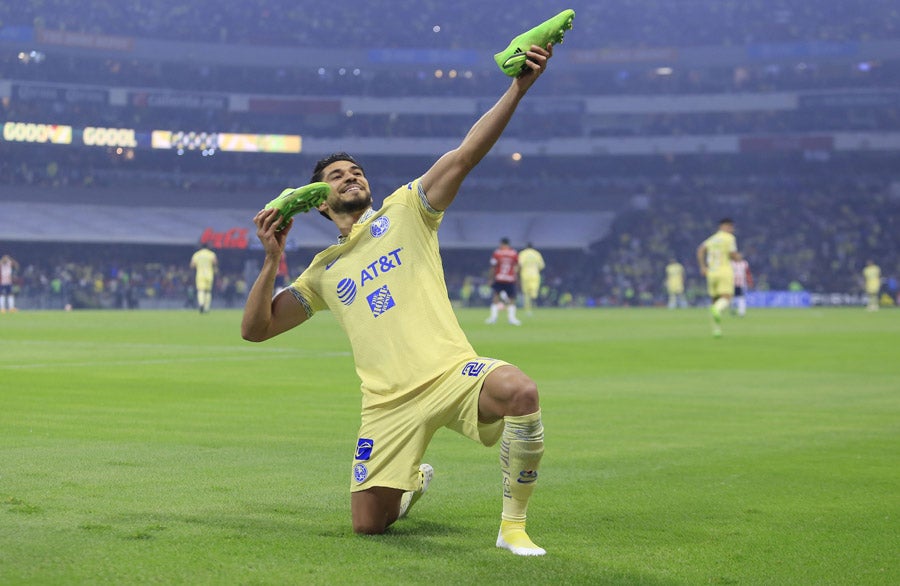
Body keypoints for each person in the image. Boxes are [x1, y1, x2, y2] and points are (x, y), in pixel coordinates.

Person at [241, 43, 554, 556]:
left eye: (355, 171)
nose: (351, 176)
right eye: (337, 175)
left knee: (520, 391)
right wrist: (271, 259)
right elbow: (256, 329)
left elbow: (464, 155)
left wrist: (518, 86)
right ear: (318, 200)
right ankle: (411, 483)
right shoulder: (322, 271)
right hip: (386, 404)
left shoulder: (406, 210)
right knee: (369, 527)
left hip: (452, 373)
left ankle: (513, 527)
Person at [697, 218, 739, 337]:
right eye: (731, 227)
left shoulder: (712, 239)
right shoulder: (729, 238)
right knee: (726, 298)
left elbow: (700, 250)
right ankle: (717, 309)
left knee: (715, 300)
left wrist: (703, 267)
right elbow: (732, 254)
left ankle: (716, 330)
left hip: (711, 272)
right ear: (727, 226)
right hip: (724, 271)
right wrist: (738, 257)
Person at [486, 237, 522, 325]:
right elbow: (518, 266)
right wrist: (517, 278)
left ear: (502, 244)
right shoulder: (514, 253)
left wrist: (490, 279)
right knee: (512, 299)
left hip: (499, 278)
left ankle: (493, 318)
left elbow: (493, 267)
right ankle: (512, 319)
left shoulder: (497, 253)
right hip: (510, 279)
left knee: (496, 297)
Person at [190, 242, 218, 313]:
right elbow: (215, 263)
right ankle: (206, 307)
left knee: (201, 290)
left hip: (200, 274)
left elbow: (192, 265)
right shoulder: (211, 254)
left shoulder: (197, 254)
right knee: (208, 291)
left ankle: (201, 304)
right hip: (209, 274)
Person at [518, 242, 545, 315]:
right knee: (534, 290)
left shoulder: (523, 253)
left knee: (526, 293)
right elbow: (541, 266)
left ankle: (527, 308)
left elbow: (520, 264)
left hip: (525, 275)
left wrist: (518, 273)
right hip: (535, 275)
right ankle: (534, 297)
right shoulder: (537, 254)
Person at [730, 252, 753, 317]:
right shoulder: (731, 263)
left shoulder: (744, 264)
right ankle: (733, 310)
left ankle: (741, 312)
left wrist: (750, 281)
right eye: (737, 256)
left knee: (741, 298)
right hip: (732, 283)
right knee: (732, 298)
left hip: (742, 284)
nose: (738, 257)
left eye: (739, 256)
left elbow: (748, 273)